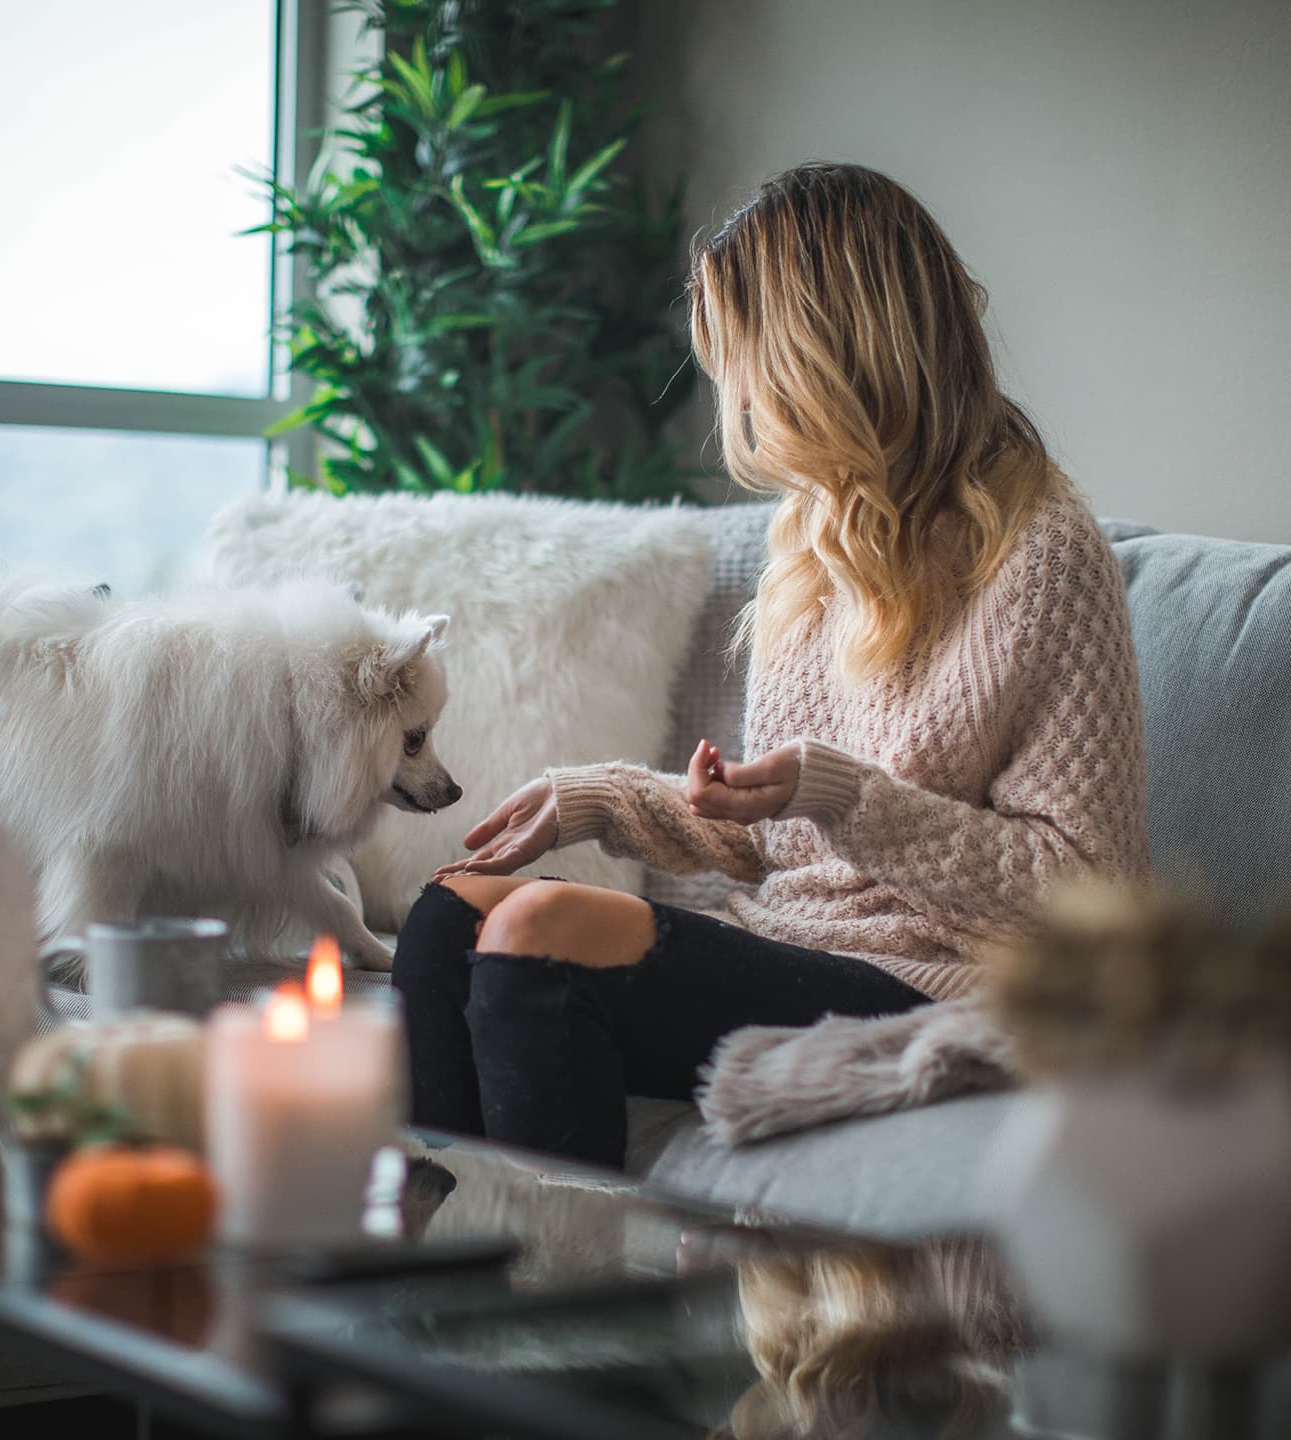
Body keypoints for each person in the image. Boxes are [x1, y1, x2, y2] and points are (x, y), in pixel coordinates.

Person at [391, 161, 1149, 1169]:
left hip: (946, 979)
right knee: (449, 916)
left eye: (744, 358)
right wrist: (603, 799)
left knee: (541, 933)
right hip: (790, 940)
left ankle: (557, 1317)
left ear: (825, 353)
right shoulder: (814, 534)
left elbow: (1085, 895)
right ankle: (429, 1291)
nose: (736, 394)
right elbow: (781, 839)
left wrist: (847, 798)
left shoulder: (1044, 553)